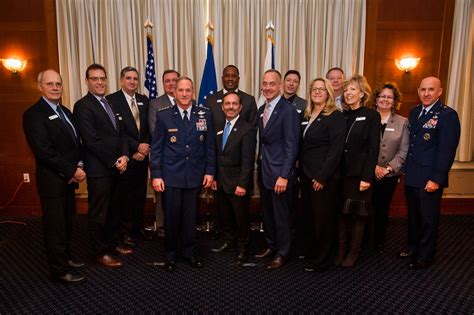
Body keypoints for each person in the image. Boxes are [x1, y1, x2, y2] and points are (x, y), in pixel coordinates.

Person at [23, 69, 86, 283]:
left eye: (58, 84)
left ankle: (66, 258)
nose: (55, 88)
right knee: (55, 226)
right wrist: (72, 171)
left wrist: (78, 164)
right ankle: (59, 270)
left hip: (67, 180)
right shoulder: (33, 114)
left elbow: (75, 143)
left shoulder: (65, 111)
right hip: (52, 181)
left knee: (67, 222)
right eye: (50, 84)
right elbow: (44, 151)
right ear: (40, 86)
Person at [150, 77, 215, 272]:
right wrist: (156, 175)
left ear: (193, 92)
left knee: (190, 217)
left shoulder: (205, 115)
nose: (185, 94)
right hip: (171, 176)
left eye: (188, 90)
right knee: (171, 217)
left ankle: (189, 253)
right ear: (175, 92)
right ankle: (170, 255)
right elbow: (157, 148)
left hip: (195, 175)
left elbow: (210, 146)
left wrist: (210, 171)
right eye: (181, 90)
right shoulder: (164, 116)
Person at [74, 63, 132, 269]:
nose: (100, 82)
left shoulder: (111, 103)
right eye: (95, 79)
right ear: (87, 81)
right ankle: (100, 252)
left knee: (115, 209)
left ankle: (113, 243)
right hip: (100, 170)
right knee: (99, 212)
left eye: (102, 78)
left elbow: (122, 133)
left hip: (117, 167)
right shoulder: (83, 106)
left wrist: (125, 155)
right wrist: (114, 161)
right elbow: (91, 141)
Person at [399, 77, 460, 269]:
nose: (426, 93)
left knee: (428, 219)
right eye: (423, 90)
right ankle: (413, 248)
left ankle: (425, 256)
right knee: (414, 216)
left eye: (431, 90)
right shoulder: (415, 111)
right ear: (418, 91)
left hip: (429, 177)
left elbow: (446, 150)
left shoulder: (447, 115)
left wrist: (436, 178)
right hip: (413, 175)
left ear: (439, 91)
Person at [255, 69, 300, 270]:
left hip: (280, 175)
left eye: (272, 84)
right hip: (265, 172)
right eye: (265, 84)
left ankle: (283, 253)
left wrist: (284, 175)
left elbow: (292, 146)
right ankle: (272, 246)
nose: (267, 87)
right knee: (269, 214)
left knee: (282, 216)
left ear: (280, 86)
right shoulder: (262, 110)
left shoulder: (288, 111)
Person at [299, 78, 345, 272]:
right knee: (309, 217)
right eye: (314, 89)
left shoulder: (335, 116)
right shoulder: (307, 114)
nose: (317, 92)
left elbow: (336, 150)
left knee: (323, 219)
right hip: (306, 175)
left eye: (321, 89)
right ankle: (312, 251)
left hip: (322, 178)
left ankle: (322, 259)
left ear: (328, 93)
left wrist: (322, 177)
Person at [337, 74, 380, 268]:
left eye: (353, 89)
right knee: (342, 214)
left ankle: (353, 253)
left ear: (362, 93)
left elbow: (373, 149)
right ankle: (341, 250)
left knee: (358, 216)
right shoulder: (342, 115)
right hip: (341, 174)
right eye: (346, 90)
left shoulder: (371, 115)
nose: (348, 93)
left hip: (360, 175)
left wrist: (367, 177)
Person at [210, 91, 257, 264]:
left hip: (238, 184)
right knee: (225, 216)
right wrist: (214, 177)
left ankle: (243, 248)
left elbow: (248, 160)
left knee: (241, 218)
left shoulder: (247, 128)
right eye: (227, 104)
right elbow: (217, 155)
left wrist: (243, 184)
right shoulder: (219, 128)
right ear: (222, 107)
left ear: (240, 107)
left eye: (234, 104)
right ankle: (229, 241)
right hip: (221, 182)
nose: (230, 107)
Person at [107, 66, 150, 247]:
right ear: (121, 80)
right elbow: (118, 131)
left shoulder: (143, 100)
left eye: (135, 78)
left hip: (143, 156)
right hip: (125, 157)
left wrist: (145, 148)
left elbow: (149, 126)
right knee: (124, 197)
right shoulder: (111, 100)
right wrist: (135, 148)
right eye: (128, 78)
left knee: (140, 194)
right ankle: (124, 233)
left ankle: (137, 228)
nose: (132, 81)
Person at [368, 82, 409, 254]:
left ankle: (378, 243)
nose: (385, 99)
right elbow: (360, 147)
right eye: (382, 96)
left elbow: (404, 150)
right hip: (368, 172)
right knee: (366, 209)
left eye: (389, 97)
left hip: (389, 175)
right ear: (376, 99)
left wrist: (388, 169)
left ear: (394, 101)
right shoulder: (368, 117)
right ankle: (363, 242)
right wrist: (374, 167)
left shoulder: (402, 122)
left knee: (382, 210)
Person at [205, 65, 257, 131]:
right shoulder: (210, 100)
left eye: (234, 76)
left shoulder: (249, 100)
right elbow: (207, 128)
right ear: (222, 78)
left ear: (238, 79)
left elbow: (252, 128)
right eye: (227, 76)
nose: (230, 79)